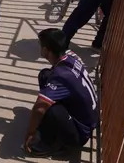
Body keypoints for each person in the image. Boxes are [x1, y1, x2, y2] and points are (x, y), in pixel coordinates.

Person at [24, 28, 98, 157]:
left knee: (50, 109)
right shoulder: (70, 56)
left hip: (79, 134)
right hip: (86, 117)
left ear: (46, 50)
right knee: (45, 75)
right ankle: (55, 125)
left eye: (40, 45)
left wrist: (30, 132)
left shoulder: (61, 76)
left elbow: (39, 108)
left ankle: (53, 143)